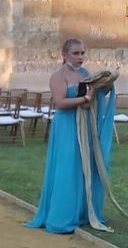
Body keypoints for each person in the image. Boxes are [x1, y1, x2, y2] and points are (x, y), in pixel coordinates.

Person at [26, 38, 116, 234]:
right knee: (68, 166)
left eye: (82, 53)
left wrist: (107, 84)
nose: (80, 57)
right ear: (64, 55)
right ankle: (63, 215)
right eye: (76, 53)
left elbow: (96, 93)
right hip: (67, 125)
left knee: (85, 166)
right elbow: (60, 102)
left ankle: (82, 212)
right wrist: (85, 98)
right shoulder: (59, 76)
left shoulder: (85, 73)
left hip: (84, 124)